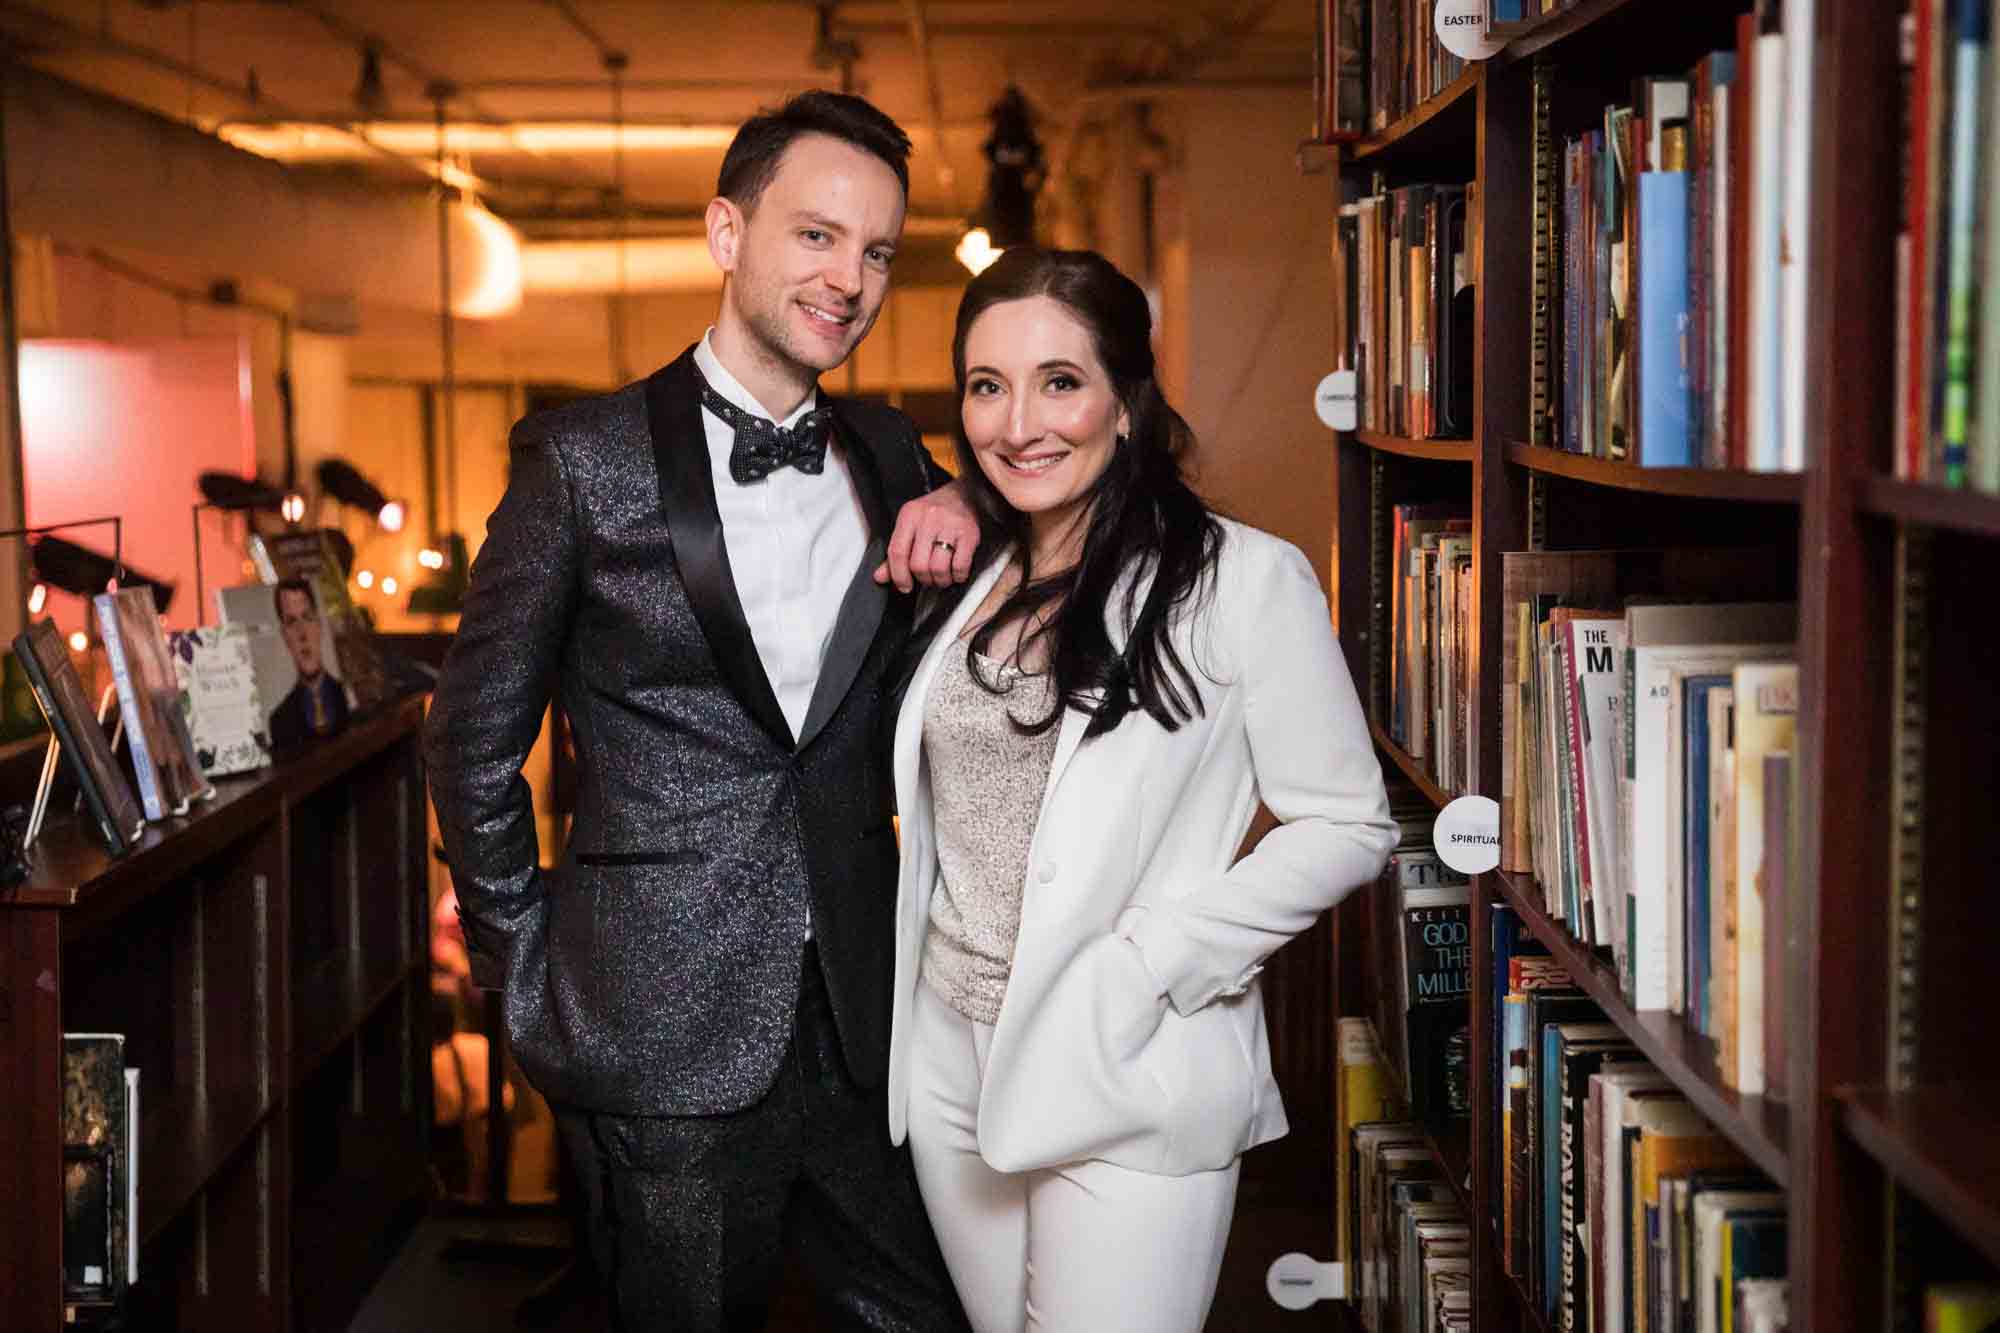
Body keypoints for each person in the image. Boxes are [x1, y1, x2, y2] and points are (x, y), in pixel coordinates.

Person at [423, 90, 979, 1332]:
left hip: (866, 1012)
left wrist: (975, 512)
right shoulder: (580, 461)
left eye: (878, 250)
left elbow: (1030, 534)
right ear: (726, 231)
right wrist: (529, 979)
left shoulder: (892, 455)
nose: (850, 278)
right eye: (816, 235)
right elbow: (468, 747)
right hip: (654, 1025)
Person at [887, 248, 1398, 1332]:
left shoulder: (1237, 579)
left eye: (1058, 382)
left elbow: (1347, 822)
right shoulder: (974, 572)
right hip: (948, 1060)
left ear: (1124, 401)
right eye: (987, 385)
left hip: (1125, 1053)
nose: (1017, 421)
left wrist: (1153, 961)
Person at [269, 576, 349, 749]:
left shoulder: (349, 696)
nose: (302, 634)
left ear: (319, 625)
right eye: (291, 622)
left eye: (307, 617)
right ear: (284, 636)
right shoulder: (279, 719)